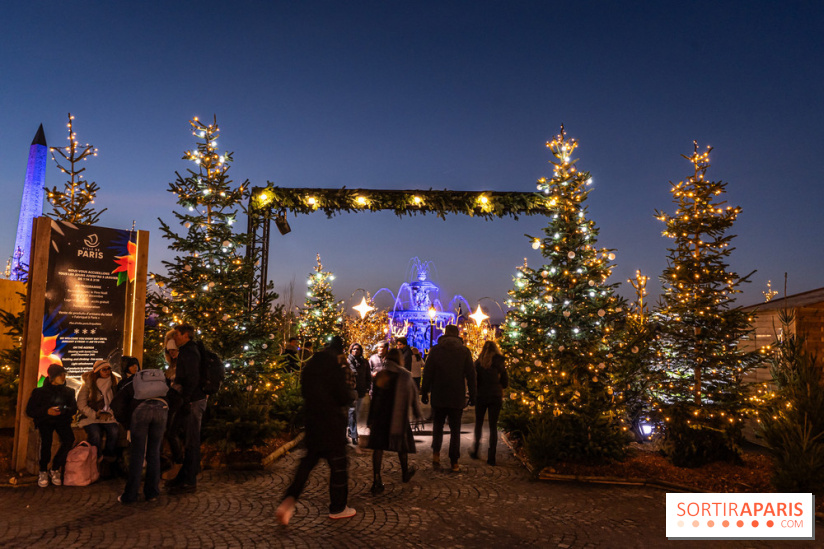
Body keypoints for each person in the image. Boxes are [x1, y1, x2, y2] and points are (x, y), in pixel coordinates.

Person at [276, 336, 356, 525]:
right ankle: (338, 507)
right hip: (332, 422)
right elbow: (342, 395)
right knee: (338, 465)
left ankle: (288, 500)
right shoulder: (334, 366)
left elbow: (304, 390)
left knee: (307, 463)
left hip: (312, 420)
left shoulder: (312, 364)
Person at [420, 324, 476, 472]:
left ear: (445, 334)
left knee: (438, 426)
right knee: (455, 429)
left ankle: (436, 454)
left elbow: (428, 372)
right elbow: (471, 375)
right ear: (457, 335)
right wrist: (473, 394)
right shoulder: (464, 351)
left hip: (439, 394)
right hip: (456, 395)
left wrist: (424, 391)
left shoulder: (436, 350)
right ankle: (454, 461)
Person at [367, 348, 423, 495]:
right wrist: (417, 414)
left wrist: (370, 419)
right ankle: (405, 472)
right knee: (402, 447)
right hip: (398, 416)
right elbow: (412, 396)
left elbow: (375, 399)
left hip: (380, 416)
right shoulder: (405, 375)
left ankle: (376, 480)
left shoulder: (381, 375)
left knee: (378, 448)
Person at [111, 363, 170, 504]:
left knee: (137, 454)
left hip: (141, 411)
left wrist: (127, 424)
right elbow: (175, 397)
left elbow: (116, 405)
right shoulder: (161, 381)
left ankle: (130, 495)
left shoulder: (133, 382)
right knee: (154, 453)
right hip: (162, 409)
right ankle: (152, 493)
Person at [166, 324, 207, 495]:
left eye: (177, 334)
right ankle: (184, 476)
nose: (174, 337)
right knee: (176, 433)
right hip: (191, 399)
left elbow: (191, 377)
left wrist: (187, 399)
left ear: (185, 335)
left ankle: (189, 480)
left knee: (191, 440)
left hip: (193, 401)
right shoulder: (191, 349)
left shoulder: (189, 352)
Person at [25, 364, 77, 488]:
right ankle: (43, 470)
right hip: (45, 420)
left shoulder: (68, 391)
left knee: (69, 439)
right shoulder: (39, 392)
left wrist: (62, 410)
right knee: (46, 441)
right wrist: (46, 411)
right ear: (52, 377)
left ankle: (55, 468)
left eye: (64, 374)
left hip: (62, 420)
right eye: (60, 375)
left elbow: (73, 409)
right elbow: (30, 410)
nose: (63, 377)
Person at [78, 359, 122, 475]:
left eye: (109, 369)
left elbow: (116, 402)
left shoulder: (114, 384)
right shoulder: (89, 384)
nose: (107, 372)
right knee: (95, 434)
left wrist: (110, 414)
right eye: (104, 369)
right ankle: (96, 459)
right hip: (92, 416)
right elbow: (81, 404)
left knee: (114, 431)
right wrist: (95, 414)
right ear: (97, 371)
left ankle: (108, 460)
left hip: (108, 417)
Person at [470, 341, 508, 466]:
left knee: (479, 424)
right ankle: (492, 457)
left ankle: (476, 450)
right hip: (495, 395)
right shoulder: (500, 362)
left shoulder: (478, 362)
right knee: (493, 426)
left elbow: (474, 380)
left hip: (481, 395)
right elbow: (505, 382)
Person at [162, 332, 184, 478]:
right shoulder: (171, 366)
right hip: (171, 401)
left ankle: (179, 463)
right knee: (169, 431)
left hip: (180, 401)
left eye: (174, 350)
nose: (172, 353)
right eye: (170, 351)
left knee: (172, 432)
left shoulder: (182, 365)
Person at [346, 343, 371, 445]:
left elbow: (368, 375)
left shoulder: (364, 362)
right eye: (354, 349)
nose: (356, 351)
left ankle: (350, 429)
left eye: (358, 349)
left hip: (361, 390)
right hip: (352, 390)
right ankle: (354, 434)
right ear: (351, 350)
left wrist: (368, 387)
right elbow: (353, 372)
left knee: (356, 413)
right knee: (352, 412)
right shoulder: (348, 361)